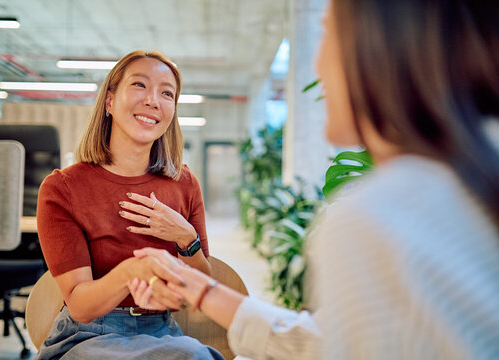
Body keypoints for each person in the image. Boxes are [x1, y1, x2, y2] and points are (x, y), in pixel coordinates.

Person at [127, 1, 499, 359]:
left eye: (326, 34)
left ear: (381, 49)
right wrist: (204, 291)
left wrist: (187, 248)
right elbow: (331, 342)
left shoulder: (378, 217)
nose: (316, 67)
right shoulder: (469, 181)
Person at [35, 50, 223, 359]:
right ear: (109, 101)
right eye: (139, 85)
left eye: (167, 93)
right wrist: (135, 270)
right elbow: (80, 305)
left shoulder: (184, 183)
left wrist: (185, 237)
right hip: (87, 334)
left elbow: (204, 288)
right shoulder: (63, 188)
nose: (153, 100)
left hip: (162, 331)